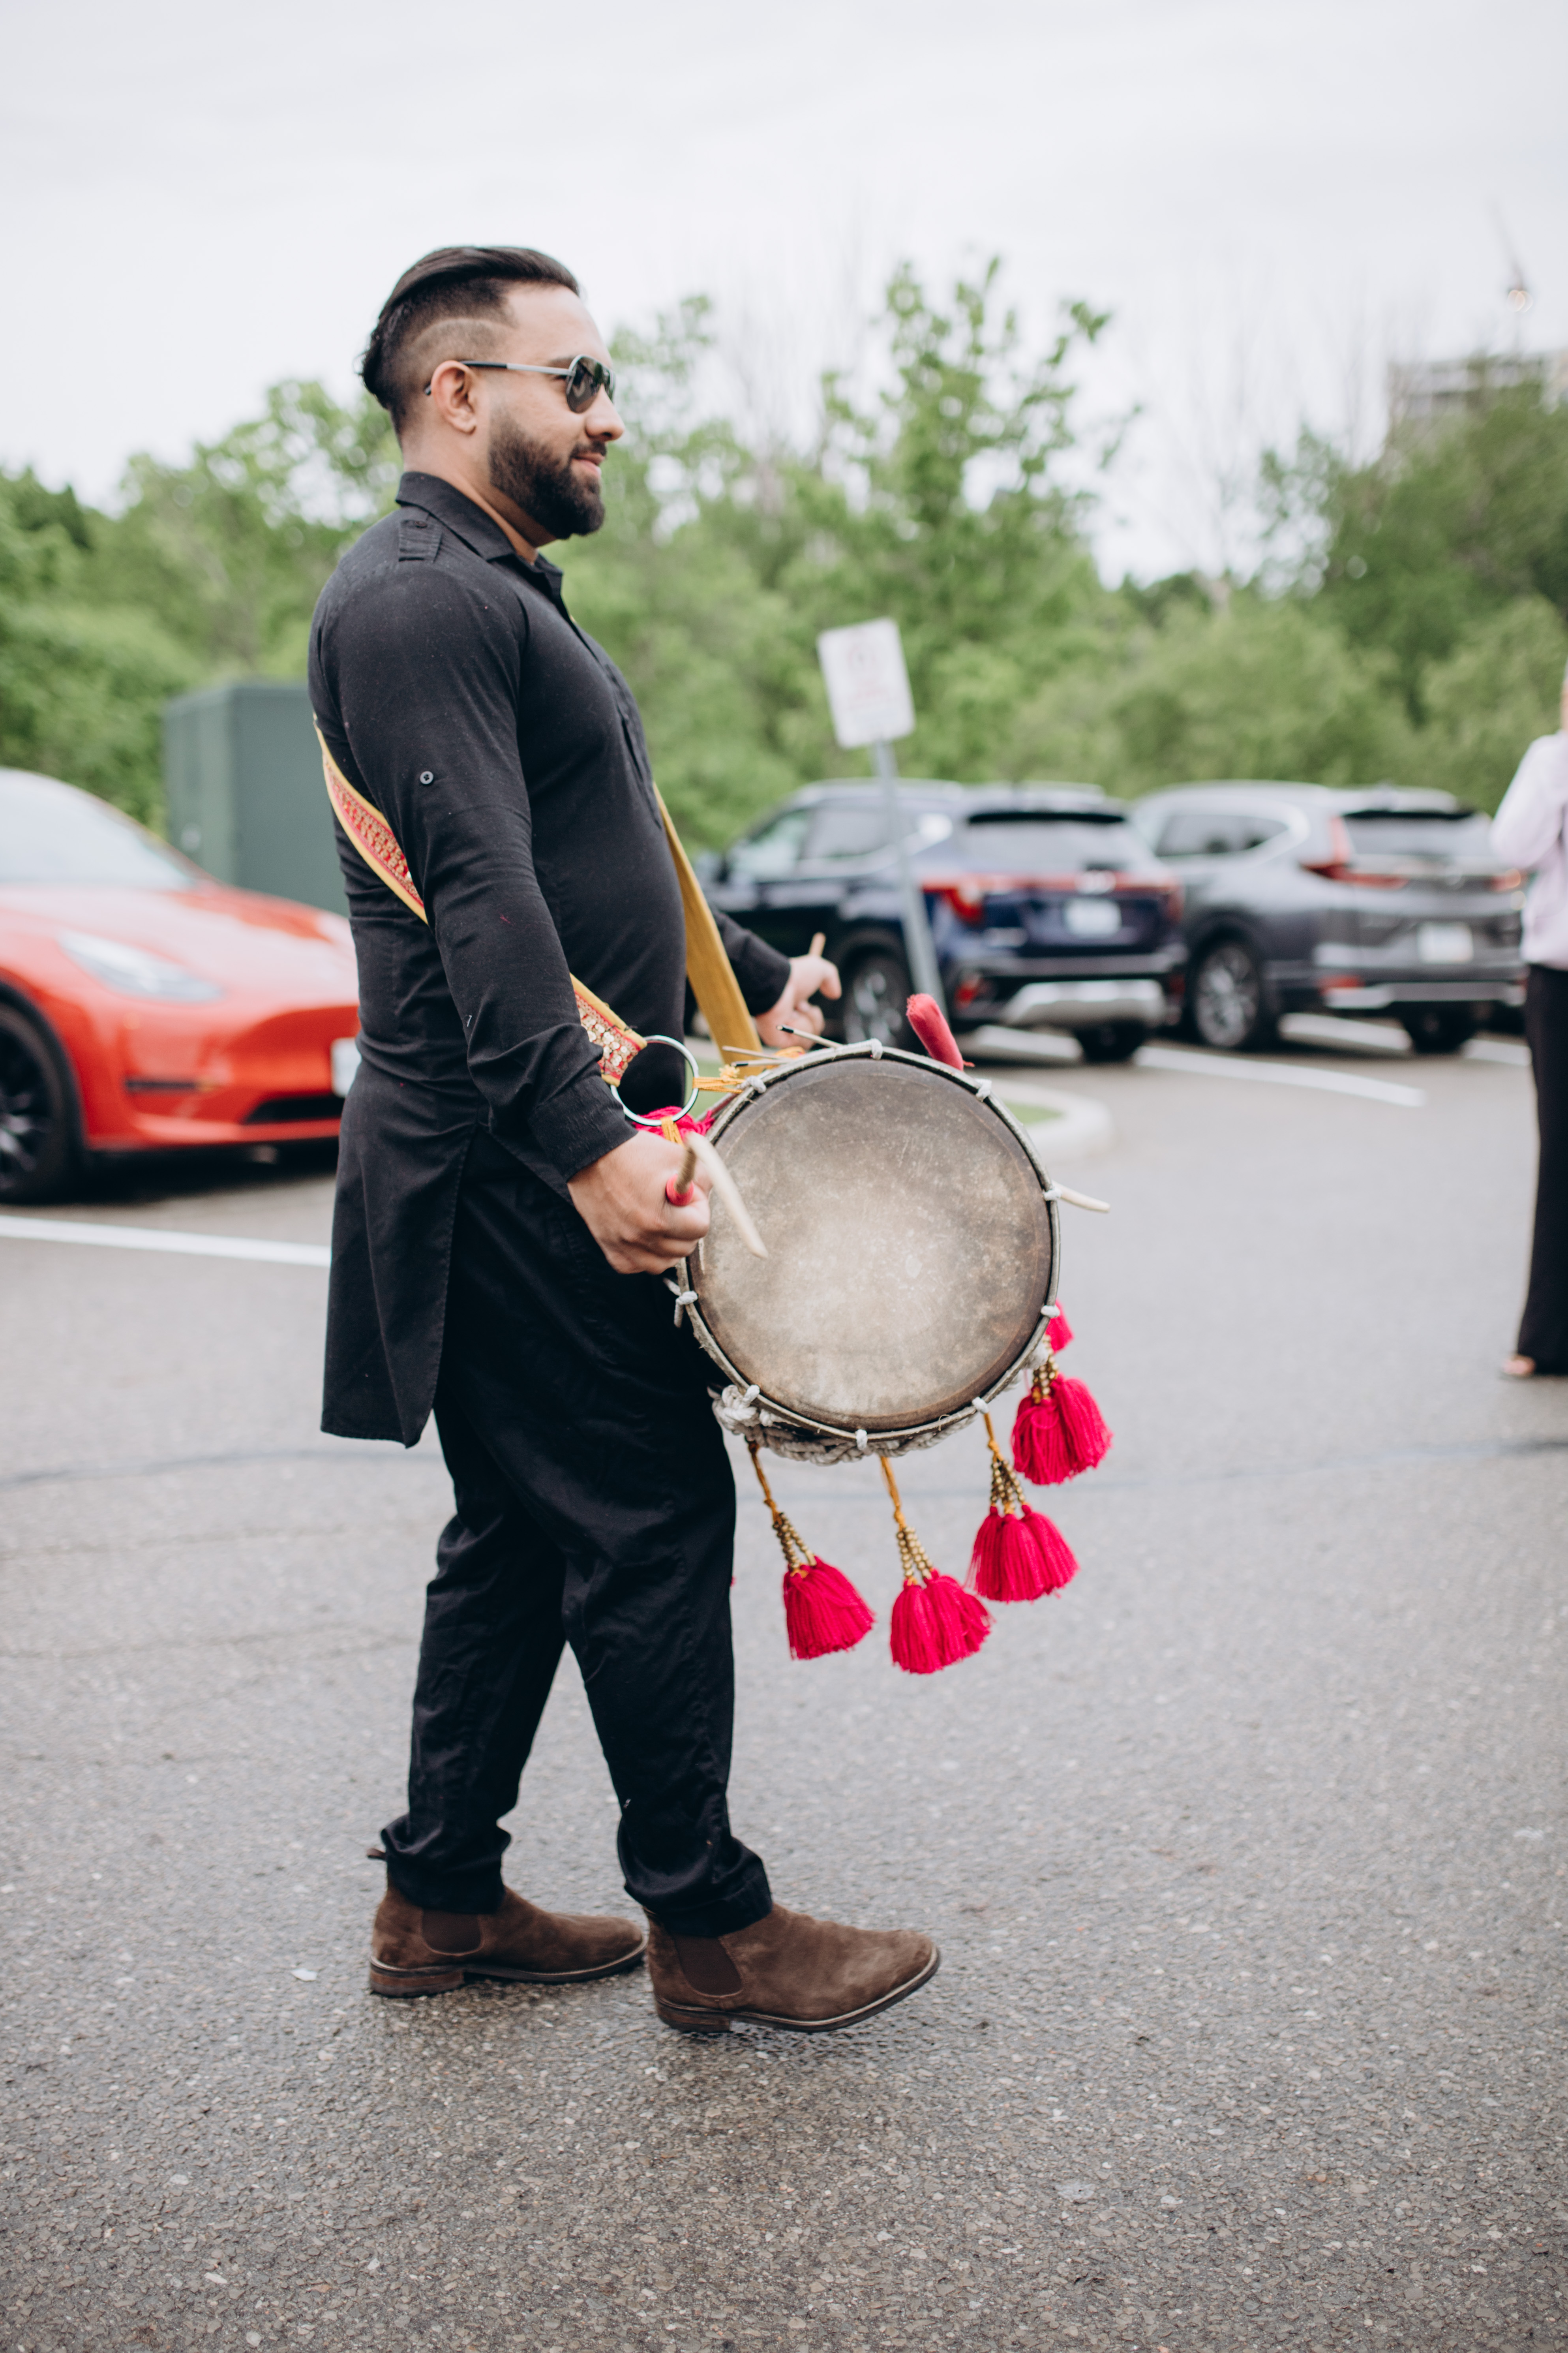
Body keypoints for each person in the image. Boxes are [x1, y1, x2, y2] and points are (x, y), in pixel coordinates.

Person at [310, 245, 939, 2032]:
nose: (608, 416)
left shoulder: (493, 592)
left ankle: (440, 1897)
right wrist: (589, 1141)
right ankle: (710, 1925)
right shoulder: (416, 603)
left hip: (504, 1146)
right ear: (457, 392)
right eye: (575, 379)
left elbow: (591, 860)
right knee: (649, 1511)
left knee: (520, 1531)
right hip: (510, 1161)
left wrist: (750, 972)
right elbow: (481, 893)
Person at [1492, 662, 1568, 1380]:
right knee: (1562, 1151)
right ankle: (1547, 1335)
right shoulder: (1552, 762)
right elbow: (1513, 848)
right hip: (1560, 981)